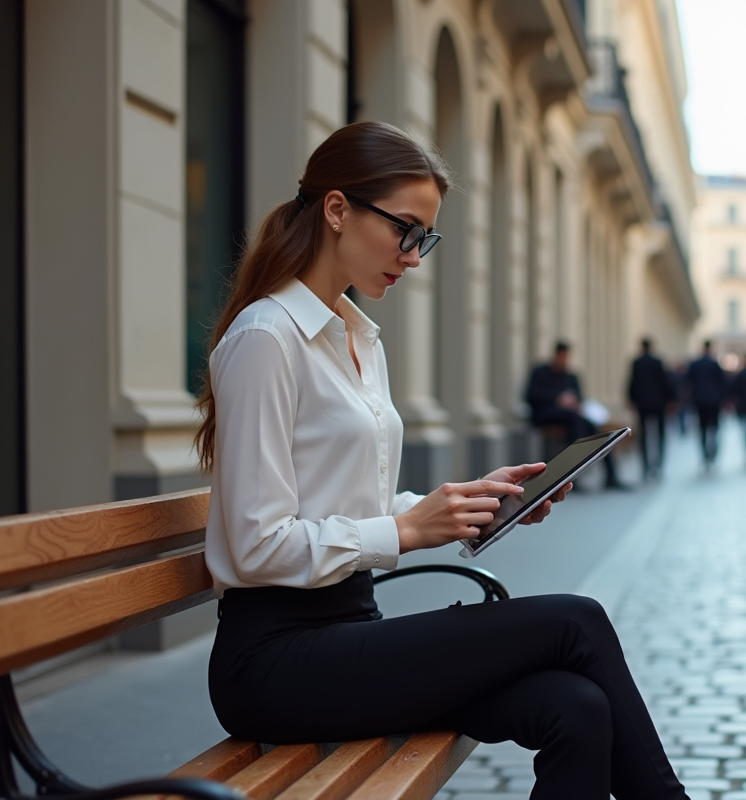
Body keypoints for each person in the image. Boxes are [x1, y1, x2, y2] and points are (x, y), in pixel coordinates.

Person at [195, 121, 688, 799]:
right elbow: (254, 546)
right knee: (576, 620)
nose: (414, 256)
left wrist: (467, 505)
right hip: (277, 664)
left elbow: (353, 508)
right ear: (336, 210)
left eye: (423, 237)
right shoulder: (265, 339)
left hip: (351, 634)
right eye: (405, 229)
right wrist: (404, 530)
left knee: (577, 708)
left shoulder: (359, 339)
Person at [526, 341, 628, 491]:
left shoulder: (571, 376)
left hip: (573, 417)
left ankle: (610, 475)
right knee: (576, 421)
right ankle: (575, 470)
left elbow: (580, 398)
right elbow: (531, 396)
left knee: (600, 430)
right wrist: (558, 399)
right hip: (545, 413)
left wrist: (574, 402)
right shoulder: (540, 372)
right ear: (556, 355)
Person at [627, 337, 675, 480]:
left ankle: (645, 466)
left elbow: (632, 382)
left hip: (642, 404)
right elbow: (665, 382)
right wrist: (671, 399)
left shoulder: (636, 363)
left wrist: (632, 399)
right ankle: (658, 465)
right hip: (658, 404)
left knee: (643, 437)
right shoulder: (658, 362)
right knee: (660, 435)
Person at [685, 340, 728, 468]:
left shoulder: (695, 364)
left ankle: (704, 453)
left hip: (700, 401)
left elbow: (688, 382)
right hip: (714, 401)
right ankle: (712, 453)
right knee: (714, 428)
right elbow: (722, 383)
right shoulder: (714, 364)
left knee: (702, 428)